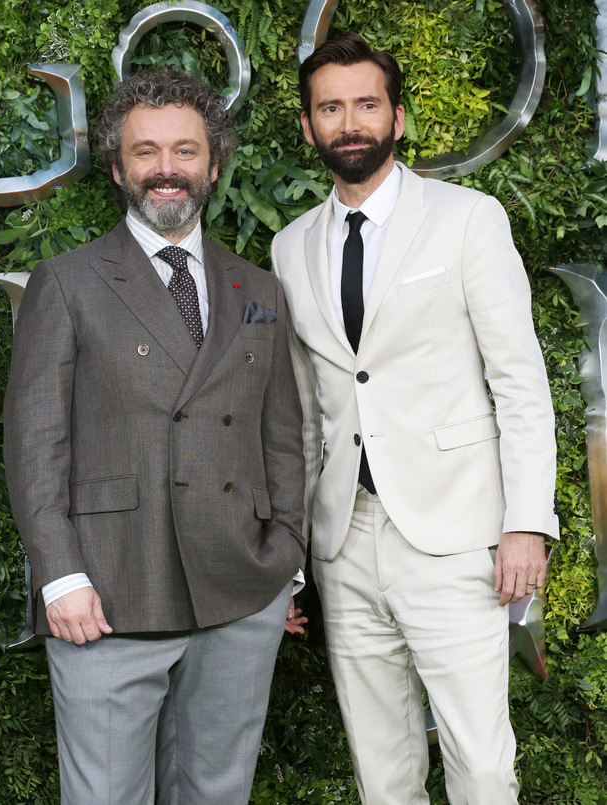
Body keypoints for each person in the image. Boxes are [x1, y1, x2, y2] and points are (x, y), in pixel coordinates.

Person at [3, 66, 307, 805]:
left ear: (212, 164)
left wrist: (287, 559)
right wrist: (61, 577)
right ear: (117, 167)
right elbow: (34, 440)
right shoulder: (68, 282)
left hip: (239, 591)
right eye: (146, 152)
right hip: (109, 591)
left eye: (184, 151)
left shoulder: (257, 290)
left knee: (218, 791)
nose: (166, 169)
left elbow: (285, 434)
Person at [271, 33, 558, 805]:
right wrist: (294, 554)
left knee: (483, 764)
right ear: (309, 128)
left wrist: (528, 521)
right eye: (331, 108)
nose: (350, 121)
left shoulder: (469, 219)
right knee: (382, 767)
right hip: (344, 540)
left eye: (366, 104)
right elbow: (303, 414)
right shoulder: (290, 247)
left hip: (455, 534)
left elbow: (519, 380)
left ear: (397, 117)